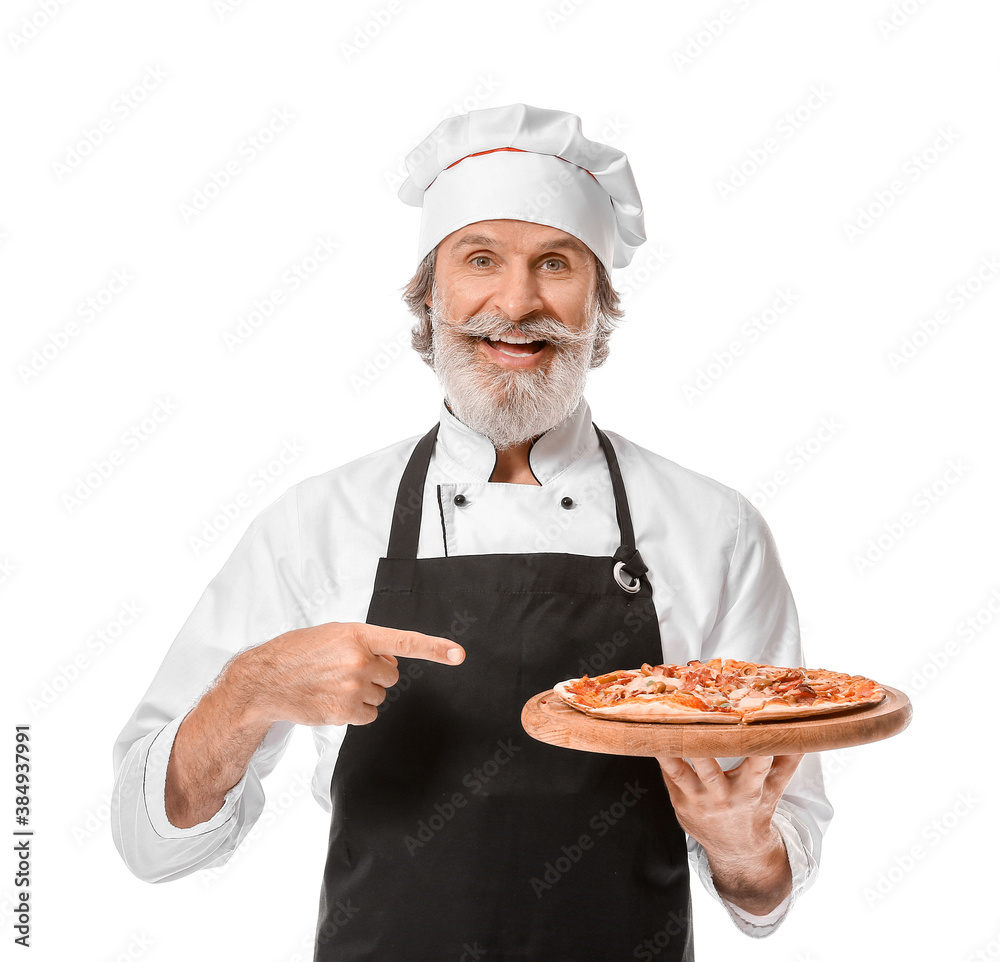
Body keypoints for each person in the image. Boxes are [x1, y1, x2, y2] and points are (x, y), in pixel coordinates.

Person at [112, 103, 833, 960]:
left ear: (599, 302)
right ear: (431, 294)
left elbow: (768, 887)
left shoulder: (715, 528)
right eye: (480, 258)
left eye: (556, 263)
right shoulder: (316, 522)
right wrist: (245, 692)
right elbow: (151, 841)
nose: (518, 302)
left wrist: (740, 840)